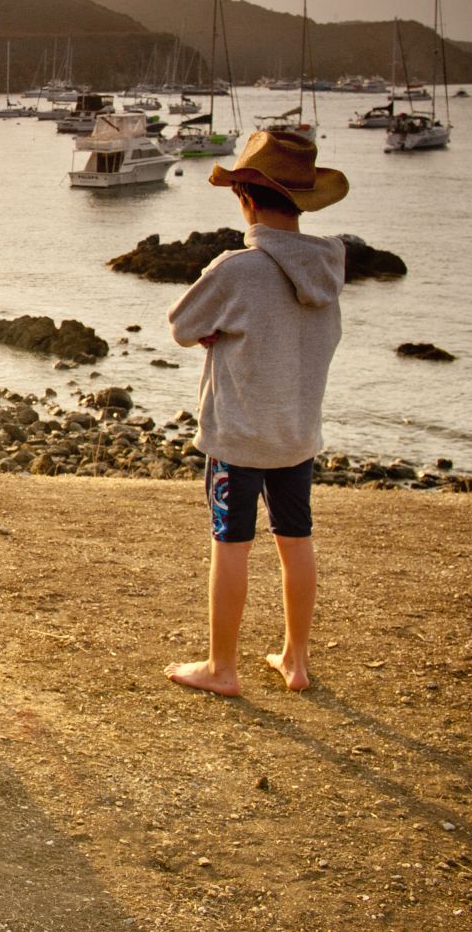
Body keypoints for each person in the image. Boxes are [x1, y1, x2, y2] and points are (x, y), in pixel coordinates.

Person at [163, 131, 349, 696]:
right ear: (302, 200)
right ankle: (295, 660)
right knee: (297, 541)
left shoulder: (237, 269)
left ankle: (223, 667)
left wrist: (217, 335)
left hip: (239, 436)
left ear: (245, 196)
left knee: (231, 543)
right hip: (296, 433)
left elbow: (181, 325)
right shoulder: (328, 268)